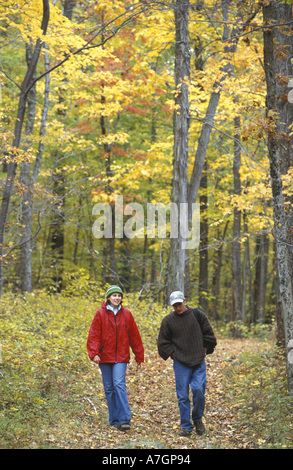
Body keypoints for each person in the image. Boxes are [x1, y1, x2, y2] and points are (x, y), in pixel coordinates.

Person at [157, 290, 217, 437]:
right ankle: (186, 427)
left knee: (198, 390)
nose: (177, 308)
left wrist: (204, 349)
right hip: (181, 362)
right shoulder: (168, 321)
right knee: (182, 395)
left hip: (198, 360)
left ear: (184, 300)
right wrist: (173, 354)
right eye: (174, 305)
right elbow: (162, 342)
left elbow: (209, 335)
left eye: (179, 304)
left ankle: (197, 419)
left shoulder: (197, 315)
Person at [87, 285, 144, 431]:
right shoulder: (100, 314)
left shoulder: (127, 315)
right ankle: (114, 419)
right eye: (114, 296)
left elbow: (134, 336)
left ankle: (125, 419)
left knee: (119, 384)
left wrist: (139, 355)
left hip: (121, 357)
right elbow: (94, 334)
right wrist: (94, 353)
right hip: (104, 357)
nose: (117, 298)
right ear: (108, 298)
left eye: (119, 295)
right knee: (109, 388)